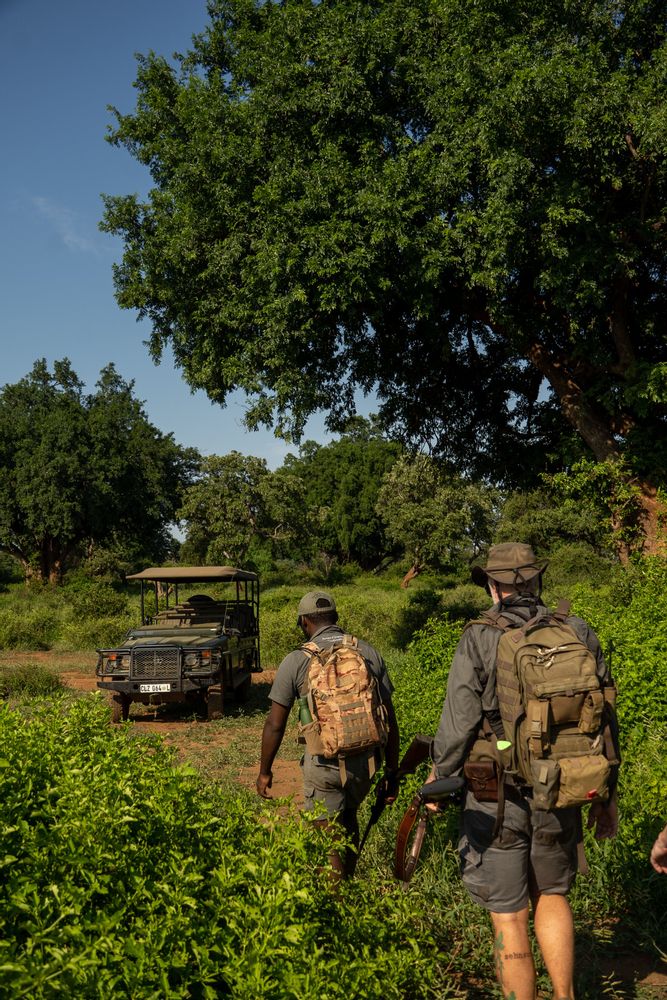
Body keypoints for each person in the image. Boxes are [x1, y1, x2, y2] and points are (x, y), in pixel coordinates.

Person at [429, 543, 620, 1000]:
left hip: (495, 795)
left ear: (494, 587)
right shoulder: (577, 630)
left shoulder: (477, 636)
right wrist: (608, 795)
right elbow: (606, 720)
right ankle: (564, 996)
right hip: (562, 788)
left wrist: (438, 780)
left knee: (508, 913)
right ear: (535, 582)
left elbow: (457, 723)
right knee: (552, 895)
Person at [257, 590, 400, 878]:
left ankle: (337, 908)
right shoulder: (368, 652)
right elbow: (389, 716)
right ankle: (349, 886)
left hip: (324, 764)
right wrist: (392, 771)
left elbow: (275, 724)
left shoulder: (297, 660)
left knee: (327, 841)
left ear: (304, 623)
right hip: (366, 762)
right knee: (348, 819)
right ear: (336, 619)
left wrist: (265, 771)